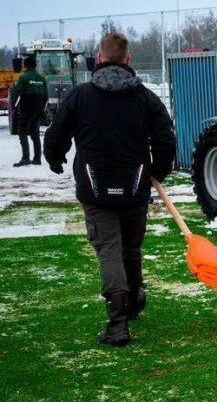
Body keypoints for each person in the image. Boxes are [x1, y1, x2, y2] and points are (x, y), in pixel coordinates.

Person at [43, 32, 176, 346]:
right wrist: (160, 169)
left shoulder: (80, 96)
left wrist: (55, 157)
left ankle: (119, 320)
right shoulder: (146, 98)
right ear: (127, 59)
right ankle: (129, 302)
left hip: (96, 189)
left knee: (111, 251)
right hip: (133, 187)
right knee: (129, 248)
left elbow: (56, 134)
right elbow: (166, 139)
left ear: (99, 58)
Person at [10, 55, 48, 167]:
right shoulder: (42, 79)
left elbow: (16, 94)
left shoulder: (23, 78)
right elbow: (46, 97)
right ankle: (37, 159)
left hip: (26, 110)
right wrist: (42, 110)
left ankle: (25, 158)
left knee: (22, 132)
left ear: (25, 65)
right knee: (35, 134)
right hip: (38, 111)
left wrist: (16, 106)